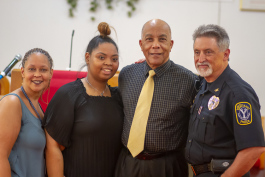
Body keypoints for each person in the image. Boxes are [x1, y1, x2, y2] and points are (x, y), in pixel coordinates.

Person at [115, 19, 198, 177]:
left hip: (167, 165)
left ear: (171, 44)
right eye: (149, 39)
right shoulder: (127, 75)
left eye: (162, 39)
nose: (155, 45)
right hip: (128, 162)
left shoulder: (188, 80)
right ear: (141, 44)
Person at [43, 22, 124, 177]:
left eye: (114, 59)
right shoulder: (69, 94)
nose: (109, 63)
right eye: (101, 57)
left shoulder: (119, 96)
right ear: (88, 57)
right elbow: (53, 146)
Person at [186, 24, 265, 177]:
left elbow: (254, 149)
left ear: (226, 54)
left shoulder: (239, 94)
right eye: (197, 52)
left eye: (208, 52)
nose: (201, 59)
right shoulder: (204, 84)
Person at [0, 48, 53, 177]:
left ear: (51, 73)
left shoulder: (37, 106)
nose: (37, 74)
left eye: (43, 69)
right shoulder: (12, 102)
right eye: (32, 69)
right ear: (23, 72)